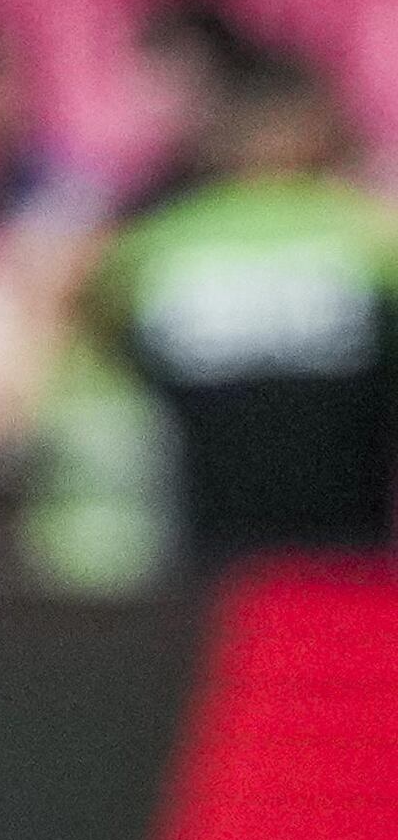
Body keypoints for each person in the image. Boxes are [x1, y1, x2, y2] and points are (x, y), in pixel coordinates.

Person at [86, 48, 398, 568]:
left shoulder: (154, 246)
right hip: (347, 563)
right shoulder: (372, 237)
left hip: (208, 567)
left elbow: (102, 362)